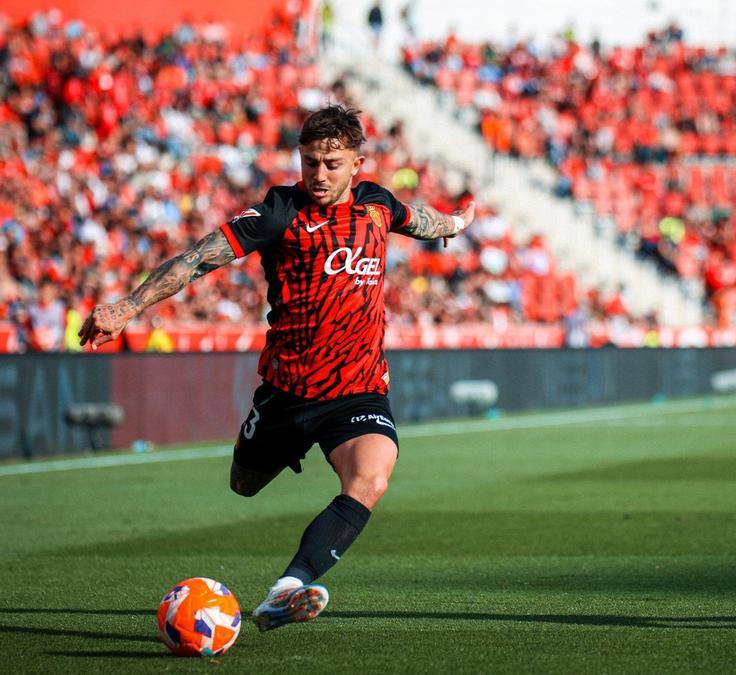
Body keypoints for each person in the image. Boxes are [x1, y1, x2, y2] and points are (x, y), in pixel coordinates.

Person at [78, 105, 474, 631]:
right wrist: (126, 308)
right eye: (310, 161)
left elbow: (417, 220)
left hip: (357, 390)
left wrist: (453, 224)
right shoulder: (279, 213)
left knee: (371, 478)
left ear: (358, 163)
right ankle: (281, 478)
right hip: (286, 392)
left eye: (332, 163)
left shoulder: (376, 203)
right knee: (243, 483)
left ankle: (287, 588)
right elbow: (198, 258)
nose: (319, 173)